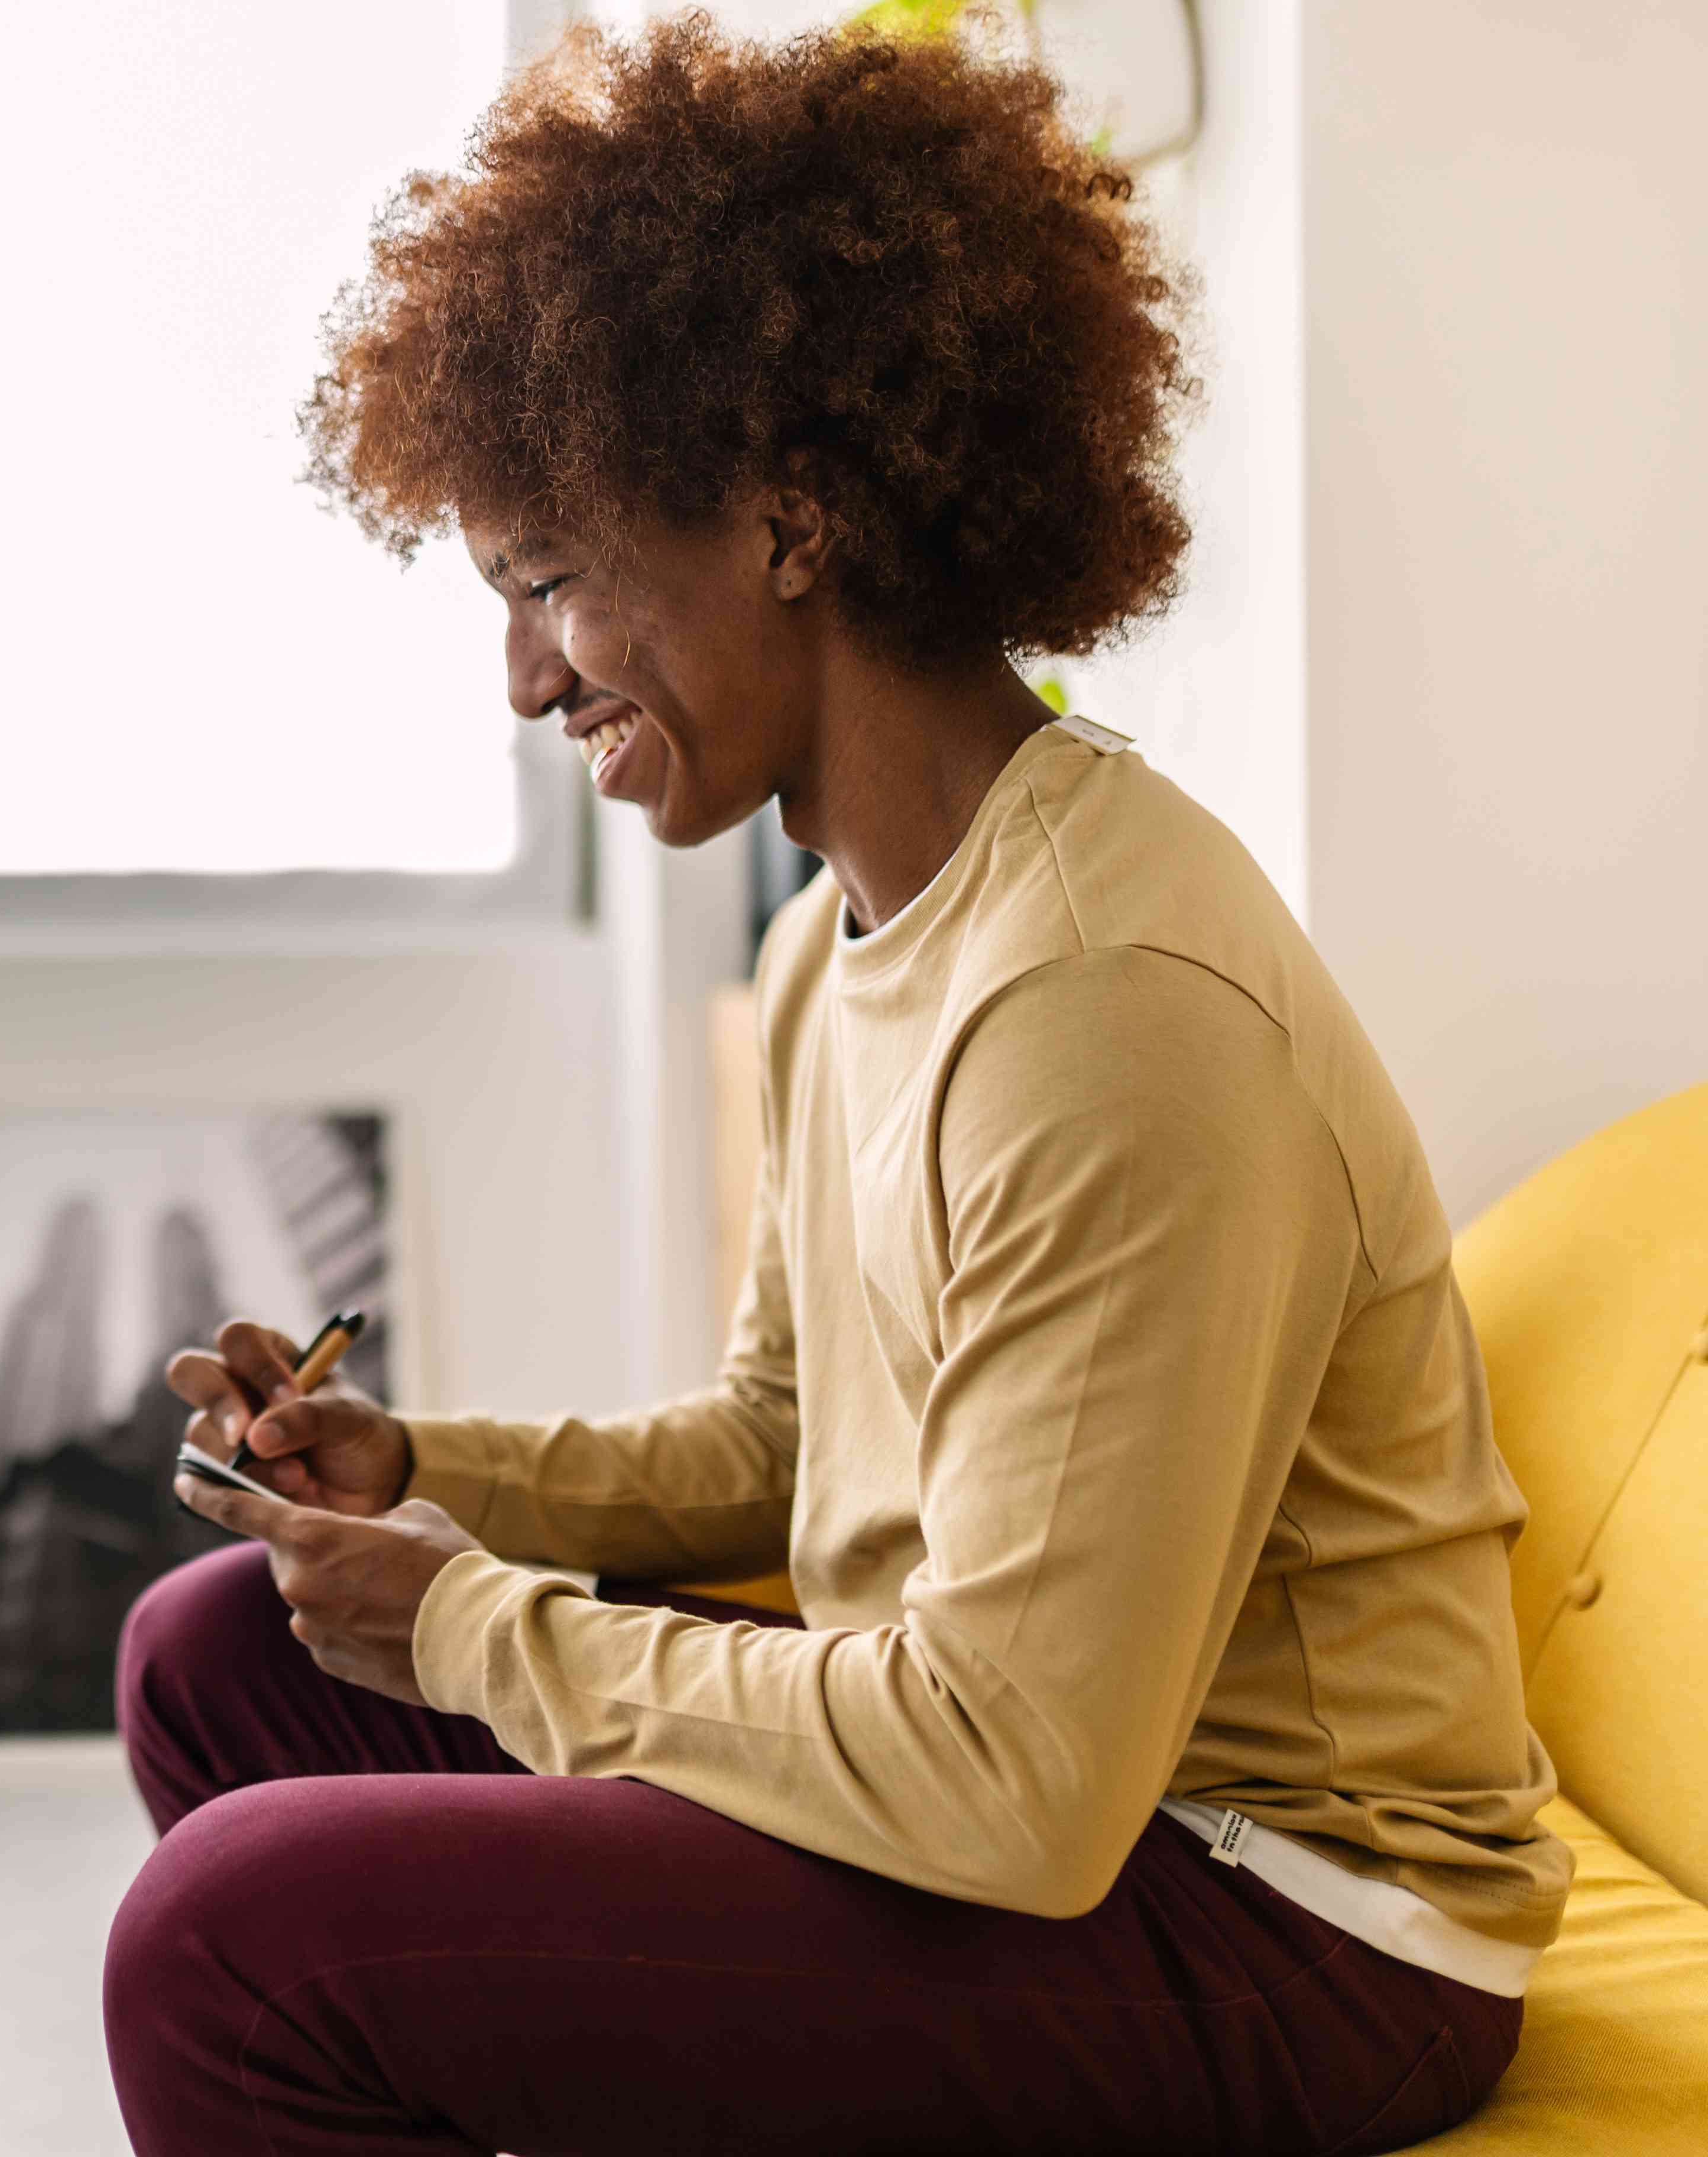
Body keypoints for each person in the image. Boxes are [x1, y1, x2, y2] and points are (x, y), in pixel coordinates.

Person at [103, 18, 1564, 2155]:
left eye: (544, 575)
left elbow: (1013, 1777)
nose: (521, 675)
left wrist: (477, 1620)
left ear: (791, 517)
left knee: (226, 1940)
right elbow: (788, 1447)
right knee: (217, 1647)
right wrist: (422, 1467)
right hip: (1042, 1799)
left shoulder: (1104, 1007)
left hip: (1283, 1911)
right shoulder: (838, 942)